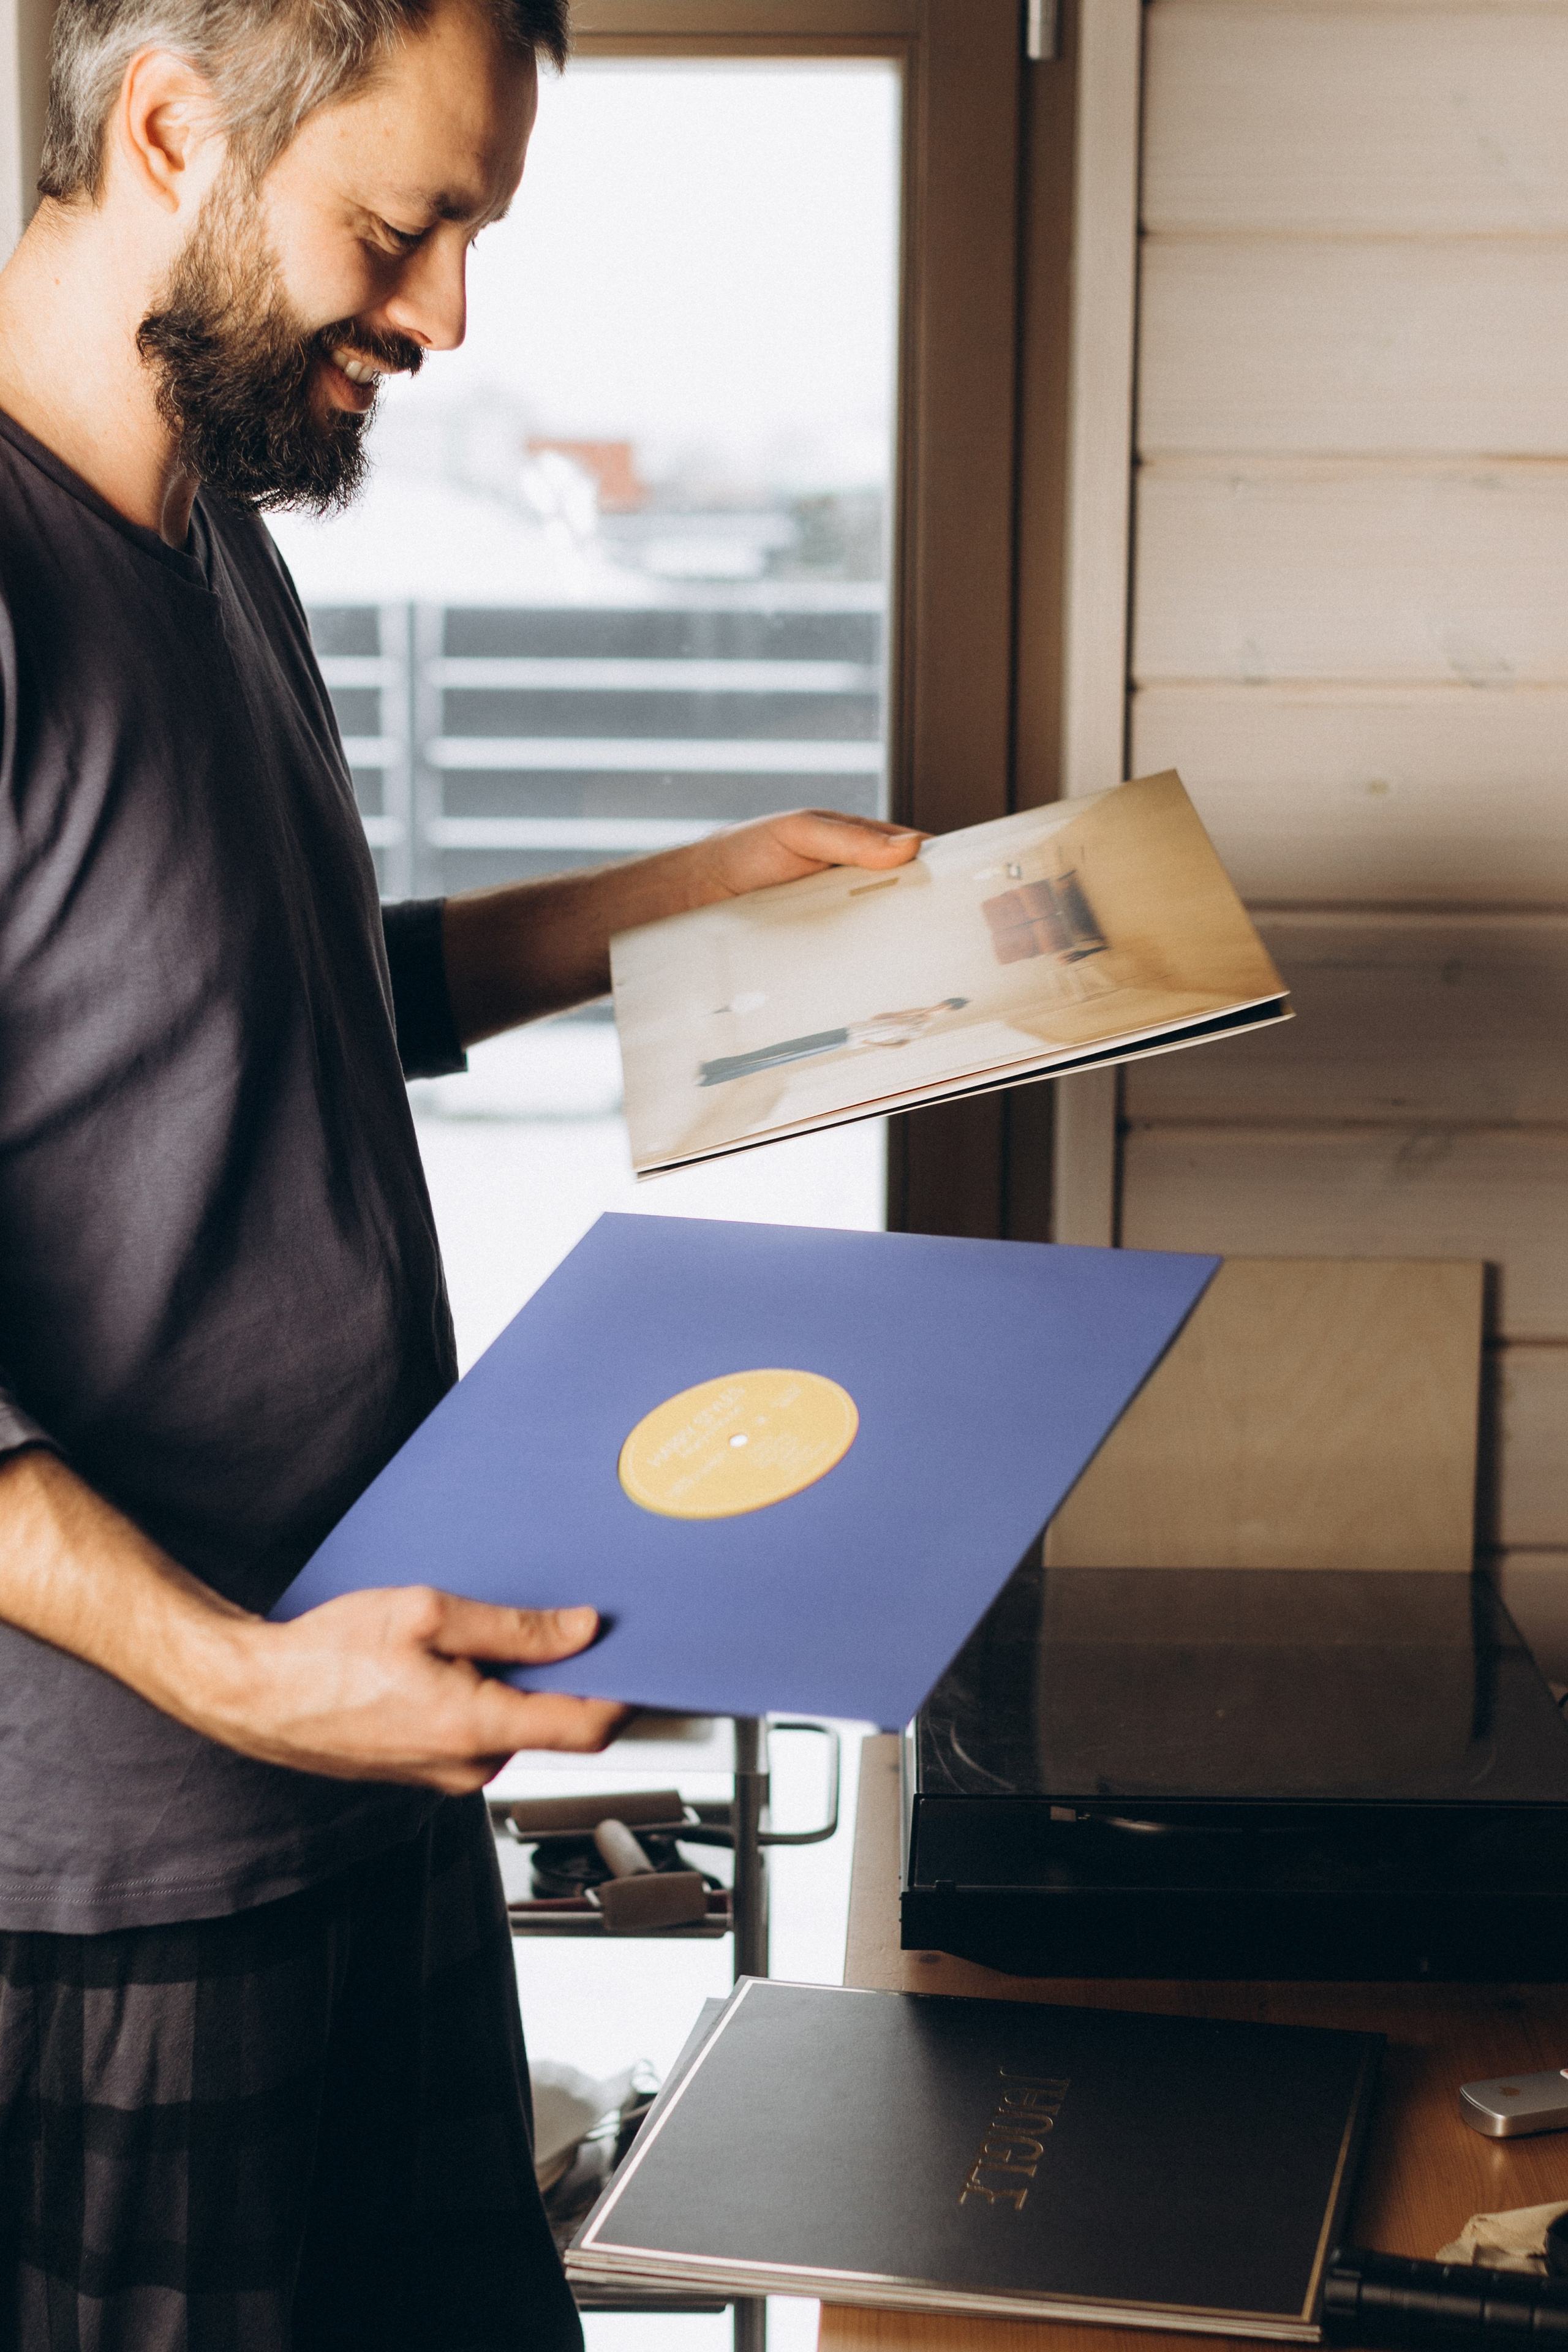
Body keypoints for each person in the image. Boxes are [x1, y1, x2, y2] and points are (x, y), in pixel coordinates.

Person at [0, 1, 922, 2342]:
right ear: (173, 126)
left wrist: (691, 901)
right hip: (121, 1896)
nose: (446, 314)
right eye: (402, 226)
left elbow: (267, 1001)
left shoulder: (210, 540)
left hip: (367, 1779)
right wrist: (238, 1678)